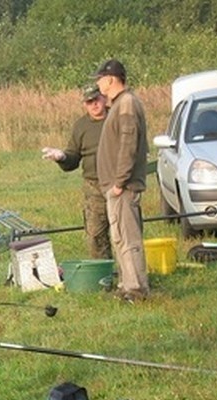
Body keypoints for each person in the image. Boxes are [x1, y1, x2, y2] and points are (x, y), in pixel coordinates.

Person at [93, 58, 150, 303]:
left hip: (123, 188)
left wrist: (119, 181)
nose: (98, 83)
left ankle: (136, 290)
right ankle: (127, 285)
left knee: (128, 239)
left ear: (110, 79)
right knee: (120, 238)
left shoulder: (126, 103)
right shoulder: (119, 104)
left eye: (100, 79)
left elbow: (129, 145)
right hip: (117, 187)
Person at [41, 83, 111, 259]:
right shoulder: (81, 126)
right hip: (94, 187)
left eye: (96, 100)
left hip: (120, 183)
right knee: (96, 235)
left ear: (104, 97)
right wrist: (62, 157)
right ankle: (103, 277)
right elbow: (72, 158)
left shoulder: (117, 117)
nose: (94, 105)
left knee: (124, 235)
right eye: (89, 102)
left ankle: (130, 278)